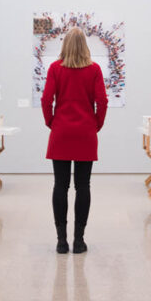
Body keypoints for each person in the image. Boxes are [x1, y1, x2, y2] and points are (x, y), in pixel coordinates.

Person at [41, 26, 108, 254]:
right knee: (83, 186)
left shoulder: (55, 68)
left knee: (60, 185)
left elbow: (46, 99)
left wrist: (51, 122)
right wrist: (96, 124)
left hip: (61, 132)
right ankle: (79, 241)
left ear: (65, 45)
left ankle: (61, 241)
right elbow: (102, 101)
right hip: (85, 133)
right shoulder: (95, 69)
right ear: (85, 46)